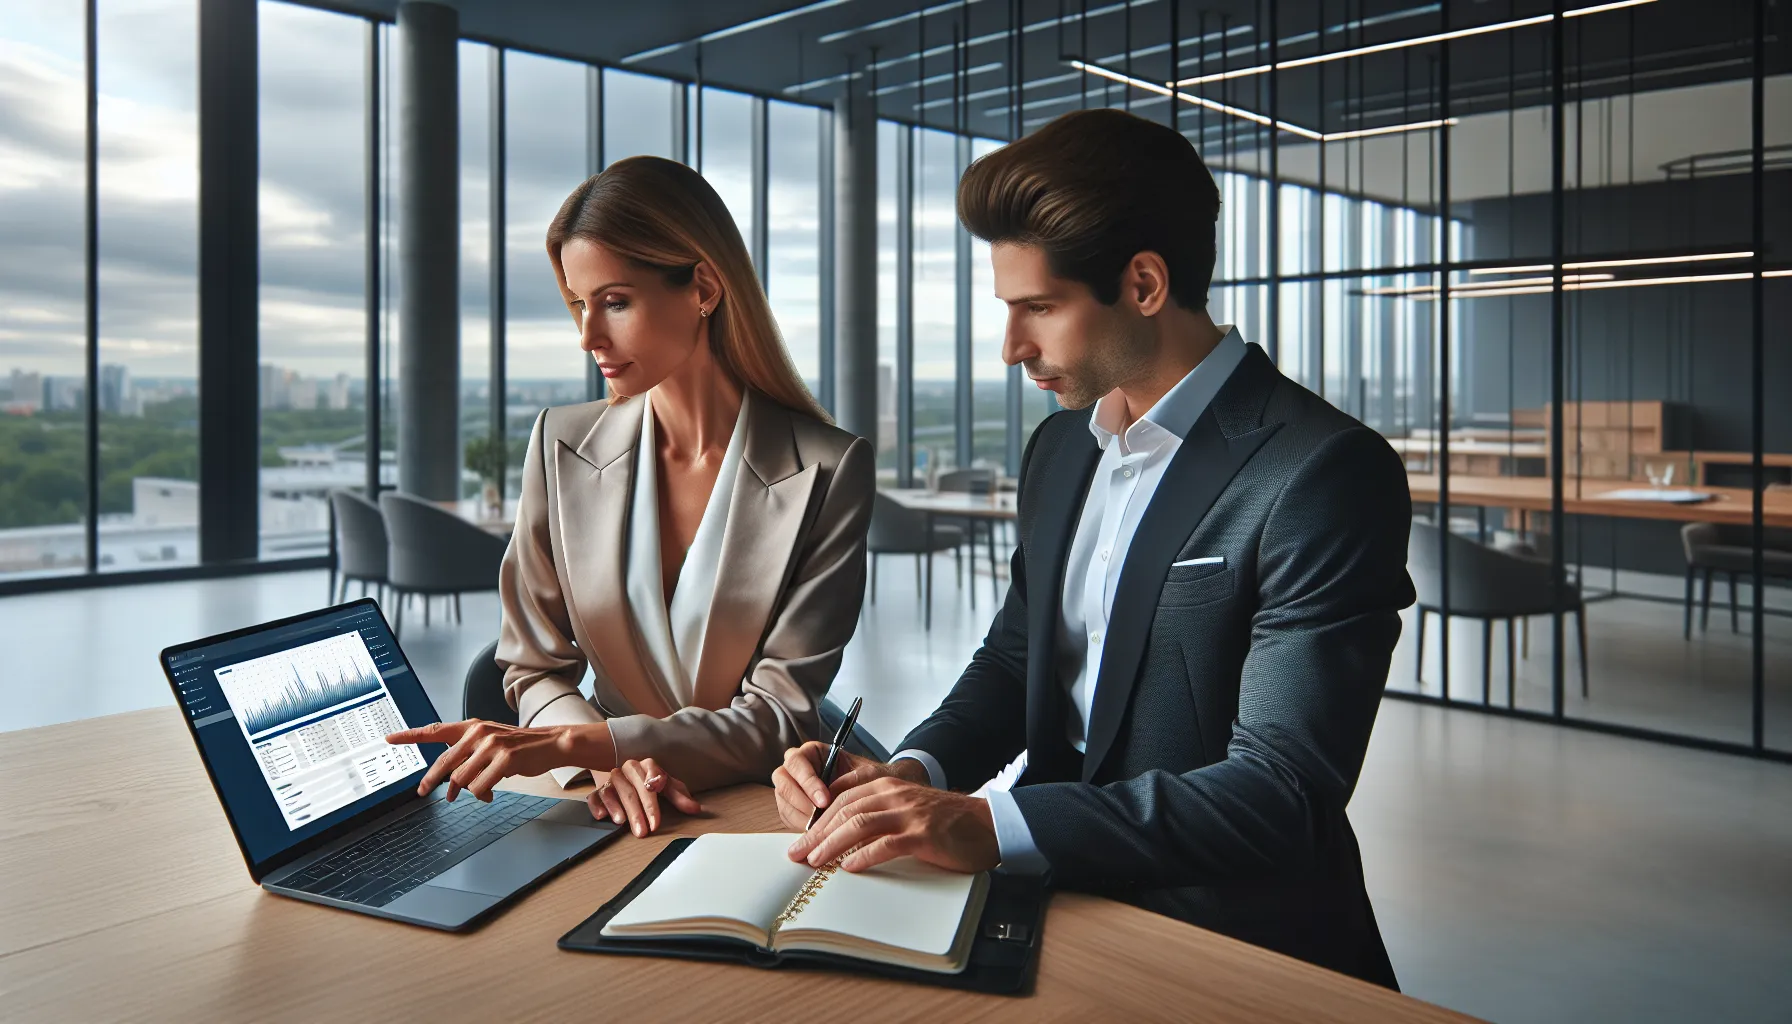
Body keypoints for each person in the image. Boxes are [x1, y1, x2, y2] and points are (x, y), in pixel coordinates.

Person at [772, 109, 1413, 989]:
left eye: (1039, 307)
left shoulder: (1323, 471)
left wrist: (994, 825)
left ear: (1144, 283)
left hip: (1227, 940)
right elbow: (1016, 658)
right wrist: (908, 773)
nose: (1011, 347)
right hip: (1038, 903)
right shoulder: (1062, 448)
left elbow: (1281, 792)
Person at [389, 156, 874, 842]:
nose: (588, 337)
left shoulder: (828, 469)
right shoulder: (562, 443)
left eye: (615, 302)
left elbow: (780, 718)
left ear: (702, 286)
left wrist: (592, 745)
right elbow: (532, 664)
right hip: (609, 812)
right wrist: (602, 760)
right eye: (579, 305)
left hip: (752, 818)